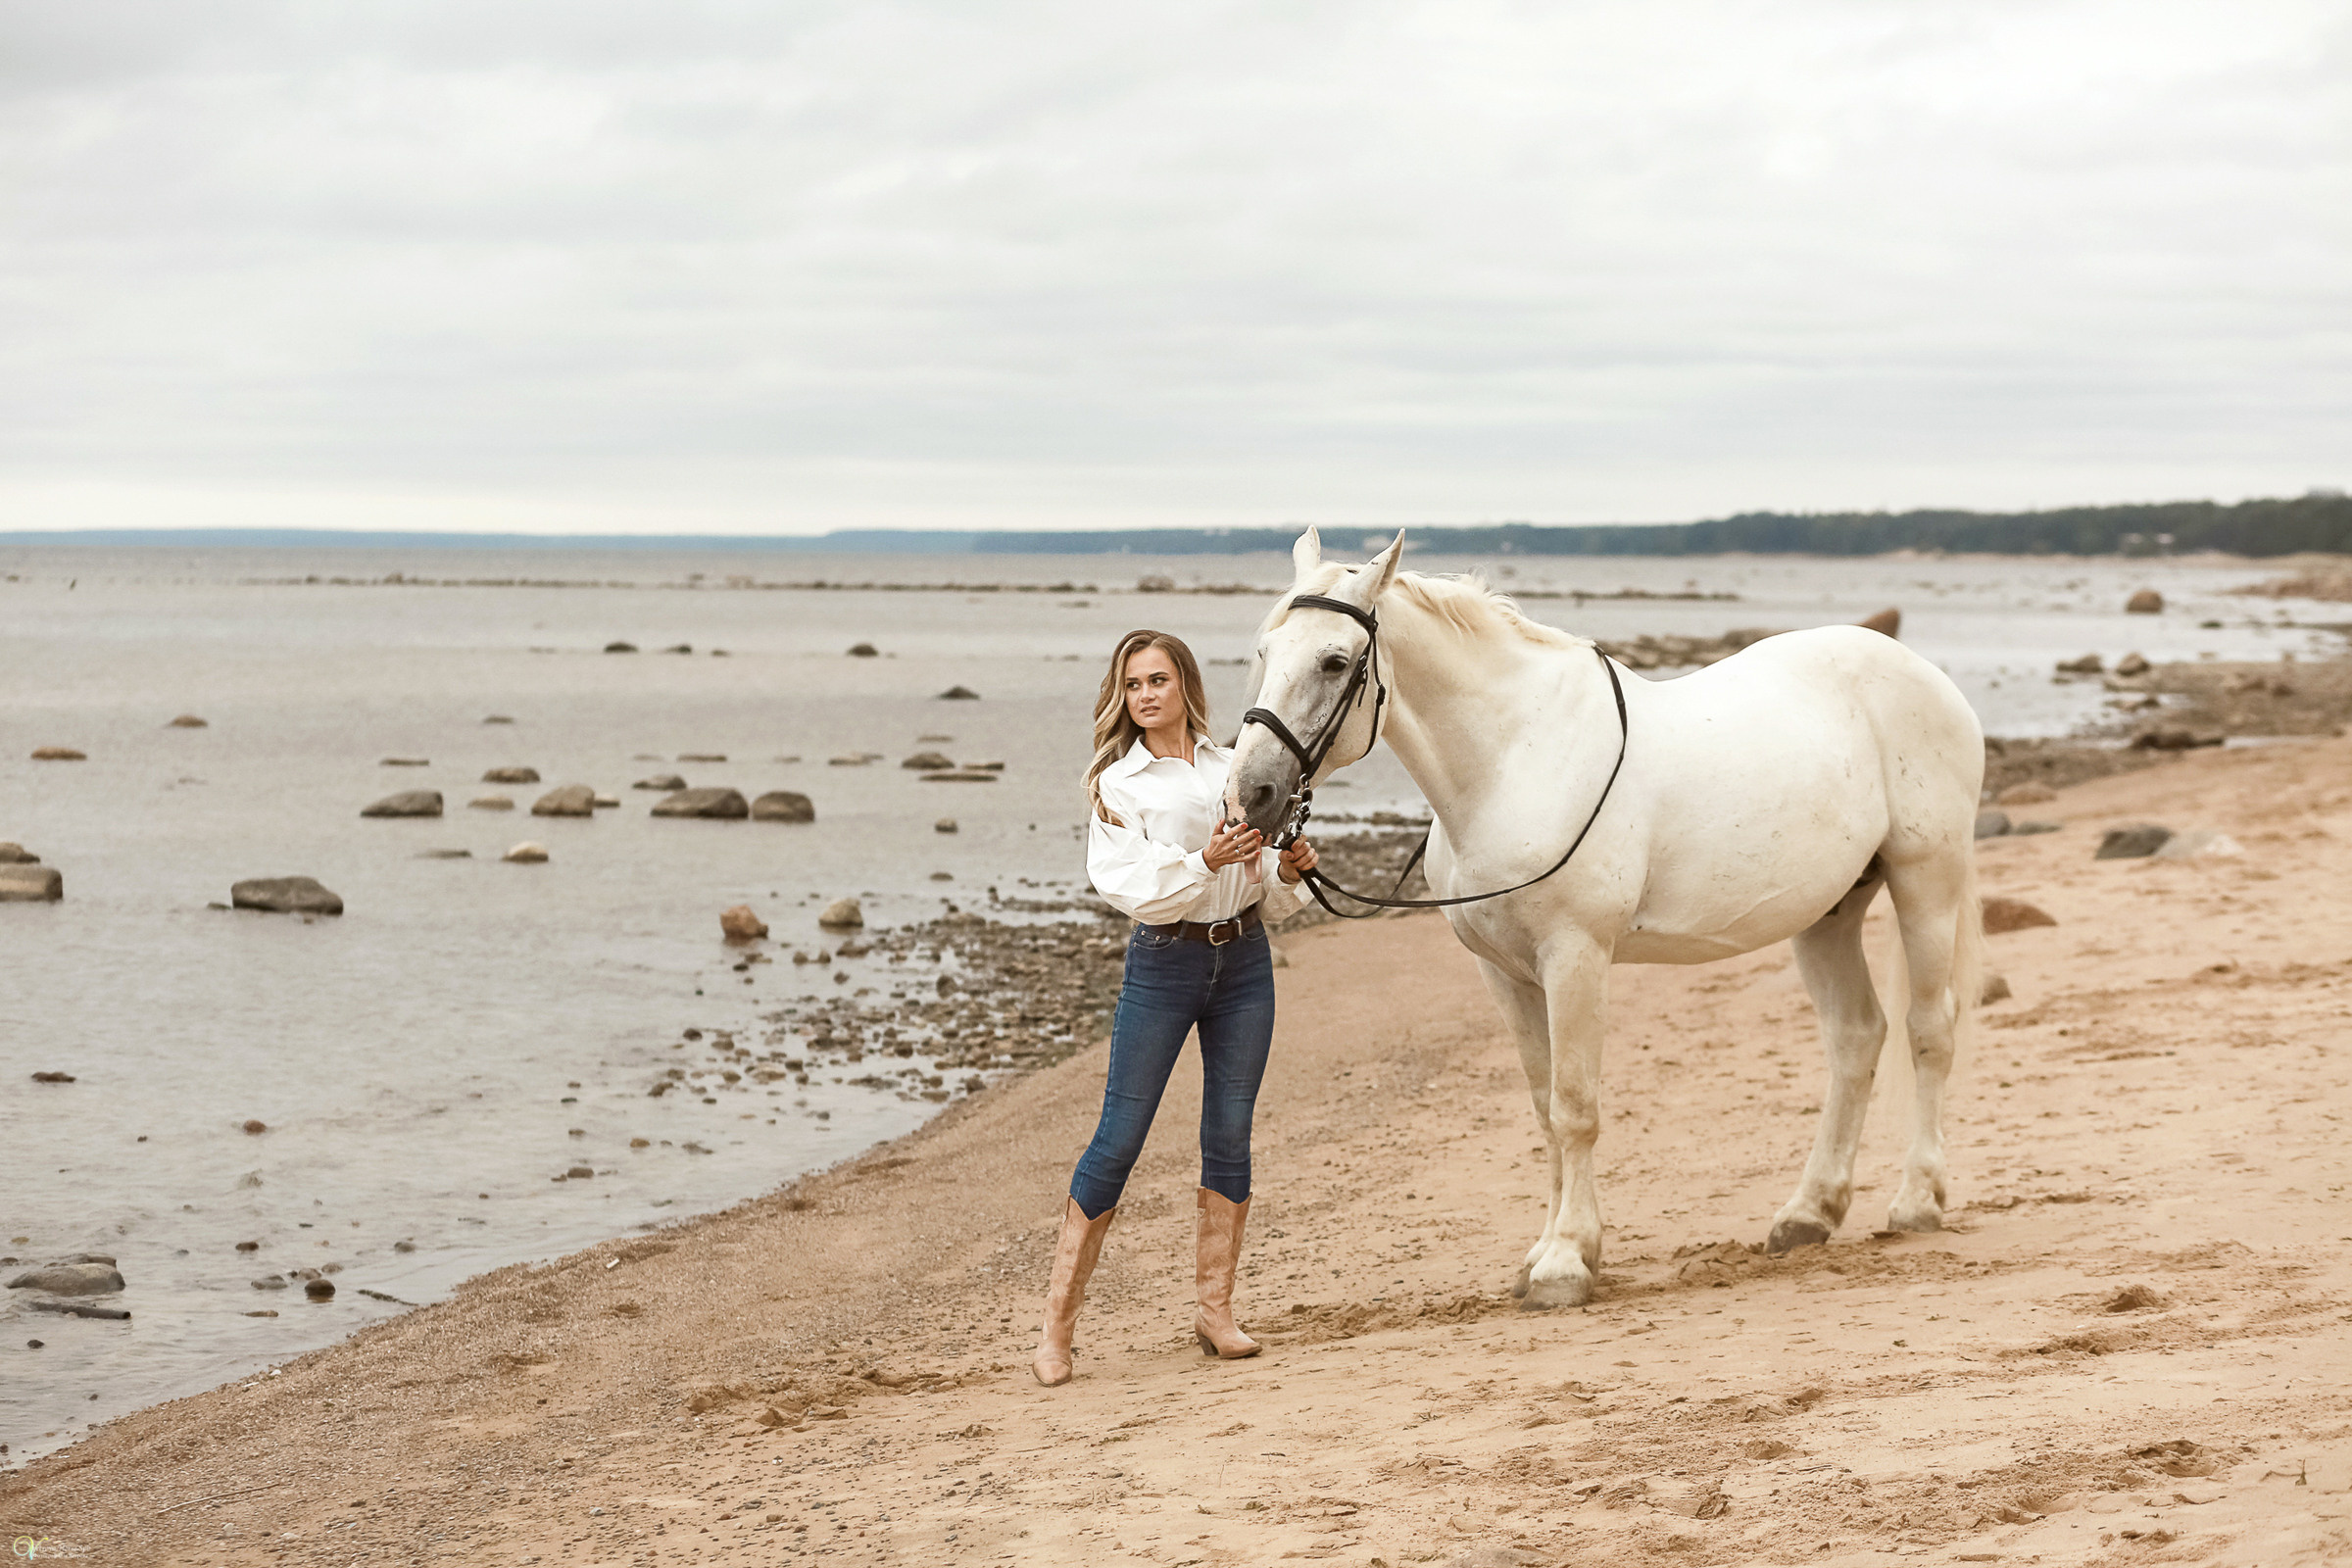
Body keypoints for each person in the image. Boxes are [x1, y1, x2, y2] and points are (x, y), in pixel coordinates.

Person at [1032, 628, 1320, 1388]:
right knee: (1118, 1139)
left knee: (1229, 1136)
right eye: (1133, 685)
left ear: (1184, 684)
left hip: (1247, 963)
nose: (1146, 694)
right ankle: (1057, 1329)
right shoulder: (1116, 784)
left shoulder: (1237, 768)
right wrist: (1205, 862)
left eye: (1158, 679)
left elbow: (1268, 893)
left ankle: (1214, 1314)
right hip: (1165, 965)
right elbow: (1129, 885)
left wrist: (1285, 870)